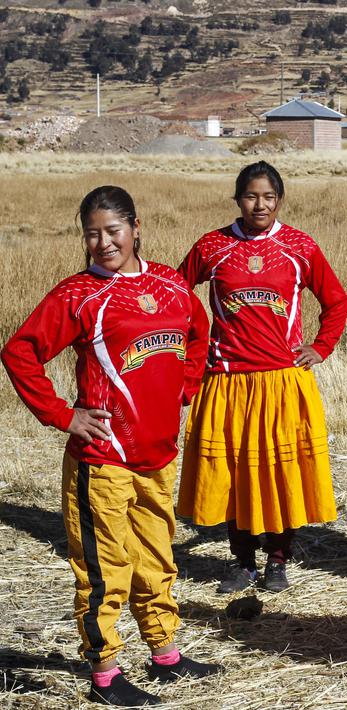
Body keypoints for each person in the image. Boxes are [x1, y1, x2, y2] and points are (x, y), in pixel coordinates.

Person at [2, 186, 221, 706]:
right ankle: (104, 674)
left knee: (157, 560)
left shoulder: (169, 283)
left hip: (158, 456)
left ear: (136, 228)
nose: (103, 243)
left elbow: (198, 332)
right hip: (103, 460)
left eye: (113, 231)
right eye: (92, 234)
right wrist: (63, 415)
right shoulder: (78, 295)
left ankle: (165, 654)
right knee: (105, 570)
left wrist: (186, 387)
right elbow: (20, 352)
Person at [176, 161, 347, 594]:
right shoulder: (213, 246)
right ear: (238, 199)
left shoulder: (299, 247)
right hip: (228, 379)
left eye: (269, 197)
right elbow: (176, 294)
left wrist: (321, 347)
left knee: (279, 473)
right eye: (251, 196)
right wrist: (194, 346)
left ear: (280, 200)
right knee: (234, 475)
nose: (260, 205)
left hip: (281, 379)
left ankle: (277, 559)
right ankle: (241, 562)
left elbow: (336, 301)